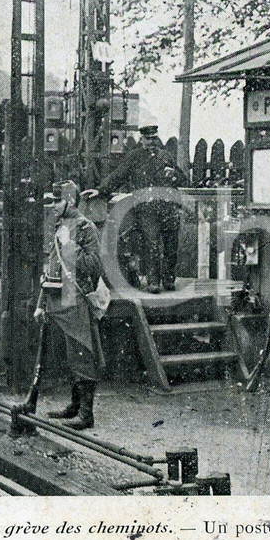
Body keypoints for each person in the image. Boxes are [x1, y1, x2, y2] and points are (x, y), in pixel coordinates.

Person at [13, 180, 106, 431]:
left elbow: (95, 265)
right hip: (56, 297)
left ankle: (86, 414)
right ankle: (74, 406)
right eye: (51, 200)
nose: (53, 206)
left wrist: (68, 247)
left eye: (57, 201)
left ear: (72, 201)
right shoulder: (60, 225)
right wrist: (41, 303)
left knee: (81, 353)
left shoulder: (86, 228)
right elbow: (51, 267)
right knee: (62, 355)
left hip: (74, 297)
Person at [99, 125, 188, 293]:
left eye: (154, 138)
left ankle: (168, 279)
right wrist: (101, 189)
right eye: (148, 139)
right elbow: (118, 176)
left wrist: (174, 175)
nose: (151, 142)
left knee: (171, 245)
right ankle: (153, 281)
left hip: (168, 209)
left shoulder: (165, 156)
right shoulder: (134, 157)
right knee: (151, 244)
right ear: (142, 139)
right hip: (146, 210)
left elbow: (183, 179)